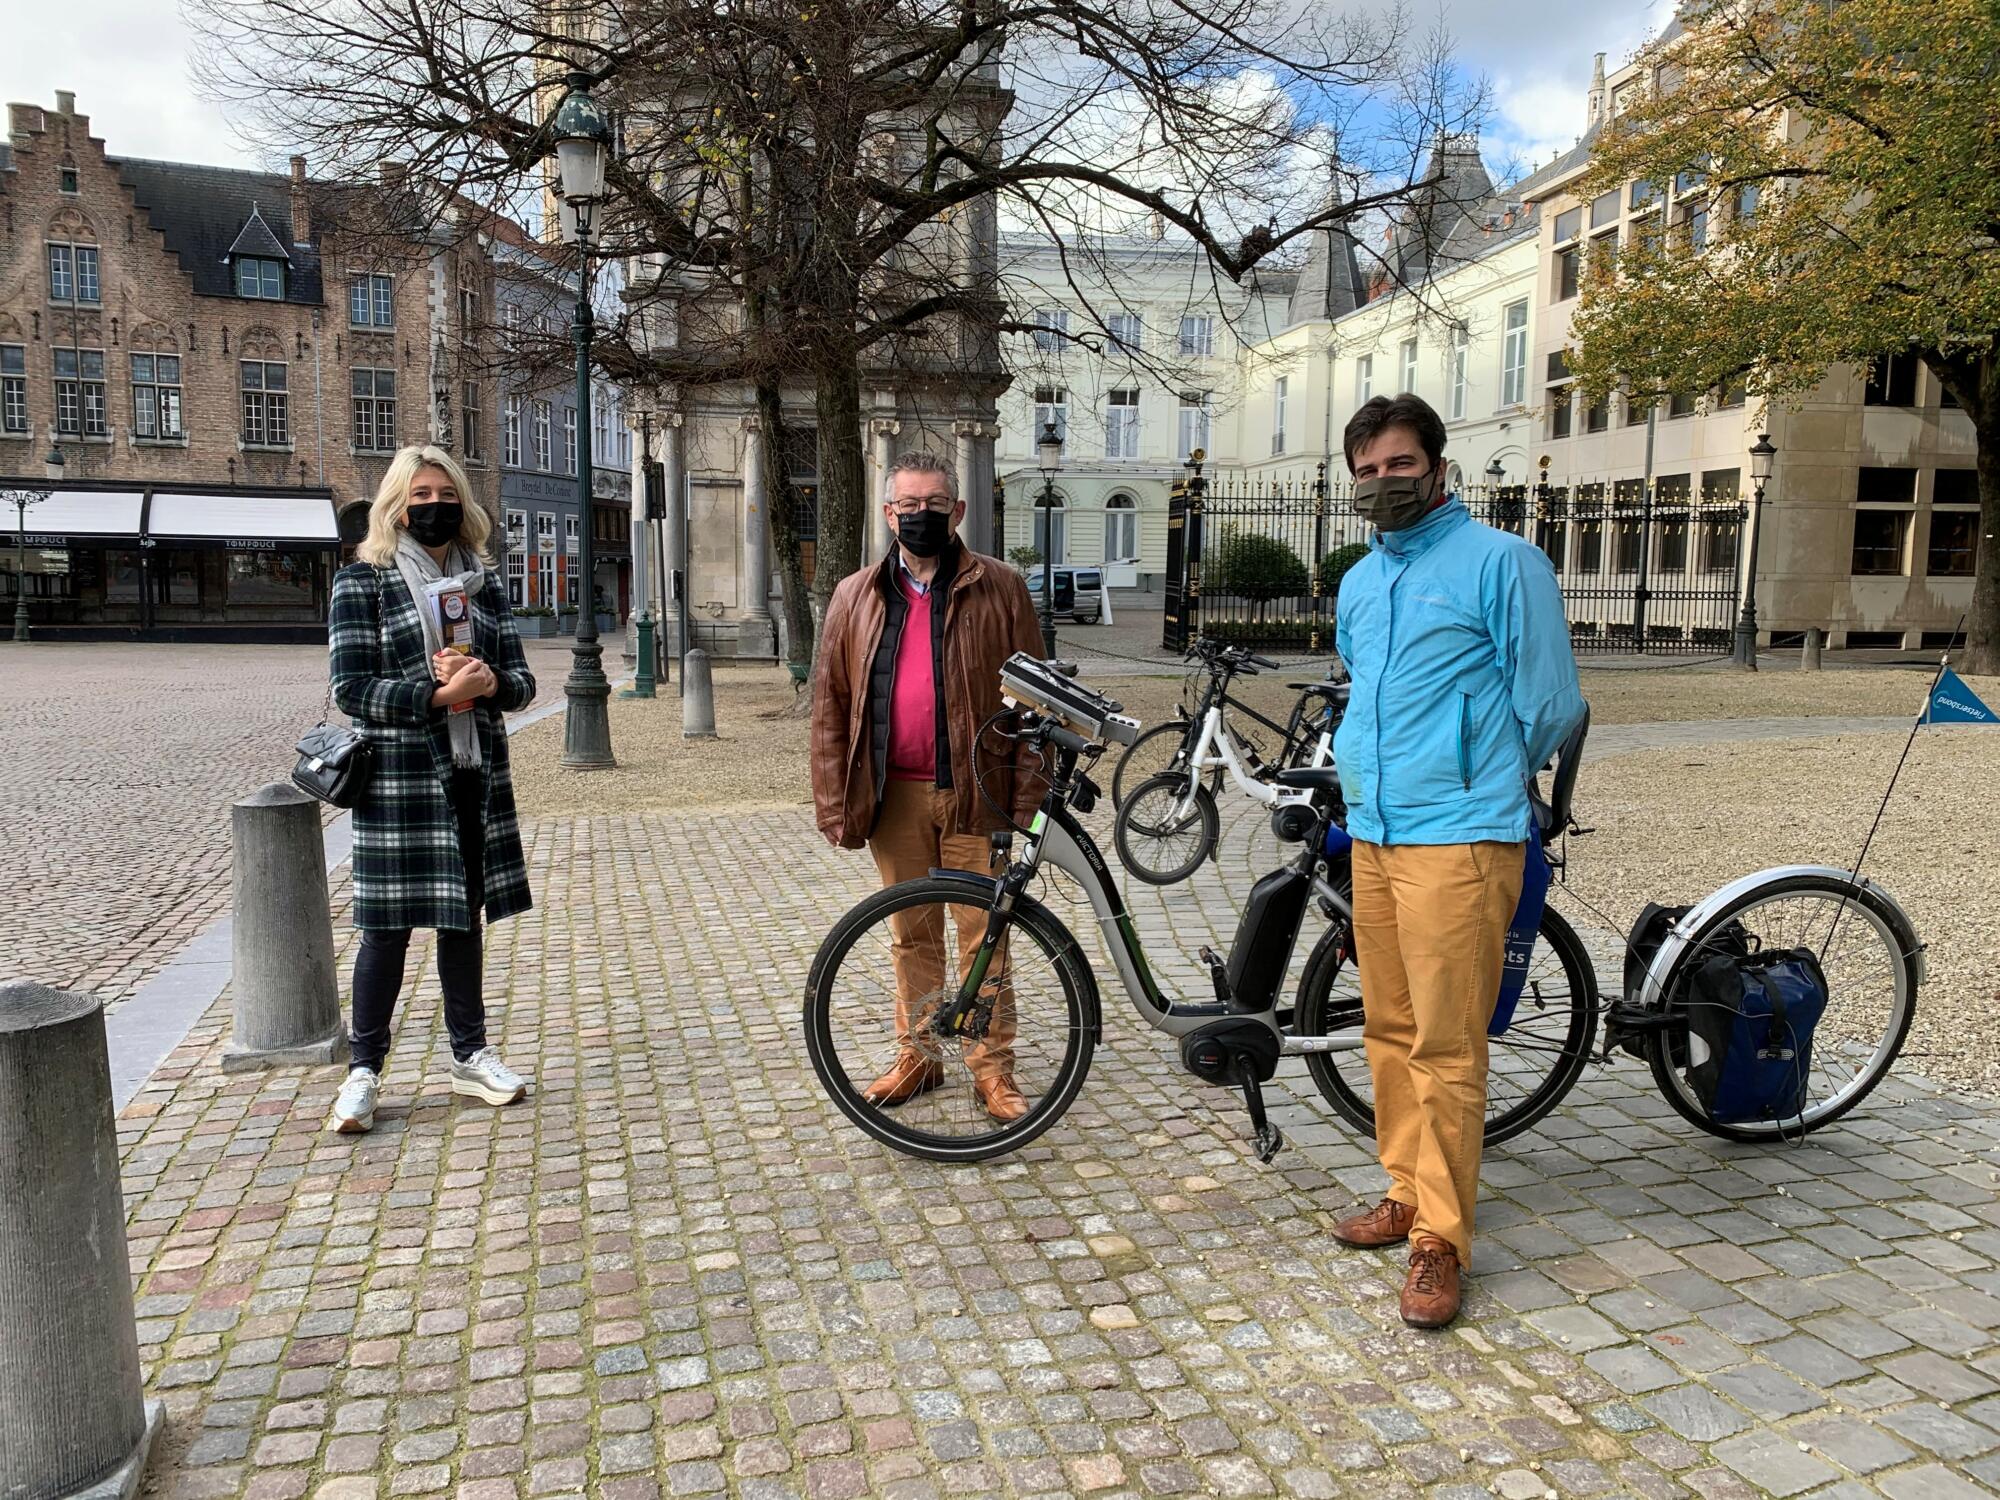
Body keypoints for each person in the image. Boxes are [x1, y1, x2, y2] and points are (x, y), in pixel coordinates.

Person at [1329, 394, 1584, 1328]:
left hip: (1461, 835)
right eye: (1366, 471)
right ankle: (1407, 1189)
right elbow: (1365, 685)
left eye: (1399, 465)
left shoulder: (1503, 563)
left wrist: (1481, 775)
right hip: (1376, 832)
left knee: (1446, 1040)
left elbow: (1551, 700)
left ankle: (1441, 1236)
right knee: (1389, 1027)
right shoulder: (1361, 581)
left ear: (1439, 468)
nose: (1383, 482)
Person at [810, 452, 1046, 1122]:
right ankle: (918, 1058)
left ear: (958, 511)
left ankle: (990, 1069)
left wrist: (1024, 801)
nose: (920, 515)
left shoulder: (1001, 588)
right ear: (888, 513)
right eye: (908, 505)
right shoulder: (855, 595)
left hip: (980, 791)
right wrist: (834, 798)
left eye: (934, 504)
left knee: (984, 935)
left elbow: (1035, 701)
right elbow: (830, 701)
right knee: (911, 934)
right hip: (894, 796)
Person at [325, 445, 539, 1133]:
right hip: (398, 778)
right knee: (383, 931)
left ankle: (469, 1055)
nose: (433, 506)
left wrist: (490, 684)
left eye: (444, 494)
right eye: (419, 496)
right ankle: (363, 1072)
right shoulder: (364, 581)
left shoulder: (484, 584)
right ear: (397, 504)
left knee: (460, 922)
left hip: (470, 771)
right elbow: (351, 689)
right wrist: (436, 693)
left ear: (463, 504)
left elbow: (523, 682)